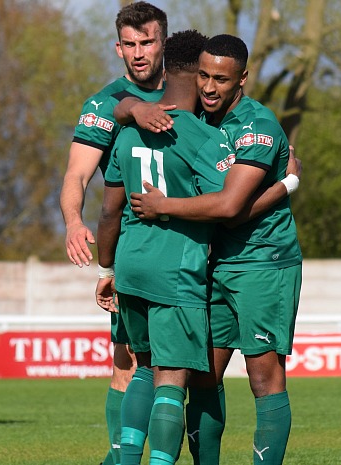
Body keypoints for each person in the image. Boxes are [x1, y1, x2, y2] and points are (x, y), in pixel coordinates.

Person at [120, 35, 302, 465]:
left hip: (262, 262)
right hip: (213, 265)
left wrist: (163, 206)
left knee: (263, 376)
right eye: (203, 75)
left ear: (242, 78)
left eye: (221, 78)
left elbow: (230, 209)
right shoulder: (200, 119)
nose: (209, 87)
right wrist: (134, 107)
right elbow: (118, 105)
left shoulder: (256, 126)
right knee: (201, 376)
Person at [96, 29, 239, 465]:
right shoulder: (201, 137)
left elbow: (107, 212)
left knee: (142, 368)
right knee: (171, 380)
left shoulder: (129, 131)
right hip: (174, 271)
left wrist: (106, 272)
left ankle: (125, 460)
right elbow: (228, 204)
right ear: (198, 74)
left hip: (130, 265)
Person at [58, 2, 172, 463]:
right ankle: (116, 456)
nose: (139, 52)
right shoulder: (103, 105)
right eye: (130, 44)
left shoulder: (191, 92)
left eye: (147, 42)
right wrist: (73, 220)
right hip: (135, 251)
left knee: (187, 368)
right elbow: (76, 176)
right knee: (126, 362)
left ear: (163, 41)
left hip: (193, 245)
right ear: (118, 47)